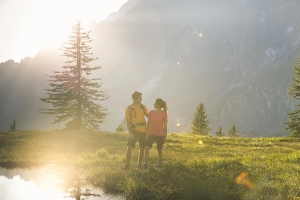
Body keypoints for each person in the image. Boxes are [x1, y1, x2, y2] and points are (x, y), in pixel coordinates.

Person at [124, 91, 149, 169]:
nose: (141, 100)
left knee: (142, 148)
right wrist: (130, 133)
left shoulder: (143, 107)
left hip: (143, 130)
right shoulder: (129, 108)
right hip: (134, 130)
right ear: (134, 98)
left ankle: (139, 165)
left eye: (141, 98)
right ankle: (127, 165)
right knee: (129, 147)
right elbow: (127, 122)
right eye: (139, 98)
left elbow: (149, 117)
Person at [143, 98, 168, 168]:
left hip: (160, 134)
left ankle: (159, 165)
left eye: (155, 103)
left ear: (158, 104)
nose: (153, 104)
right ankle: (145, 164)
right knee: (146, 148)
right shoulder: (151, 112)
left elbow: (165, 126)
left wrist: (165, 137)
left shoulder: (164, 114)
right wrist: (147, 134)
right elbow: (148, 124)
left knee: (159, 150)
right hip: (151, 134)